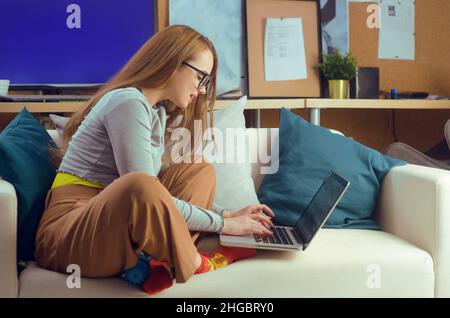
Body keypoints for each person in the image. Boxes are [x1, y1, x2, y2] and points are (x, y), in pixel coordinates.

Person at [35, 25, 275, 292]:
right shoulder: (127, 102)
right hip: (68, 232)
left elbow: (156, 199)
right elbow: (144, 191)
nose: (203, 90)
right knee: (139, 183)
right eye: (201, 78)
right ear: (173, 62)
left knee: (198, 171)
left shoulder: (156, 113)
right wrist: (224, 223)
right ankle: (193, 261)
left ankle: (157, 263)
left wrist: (226, 212)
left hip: (111, 225)